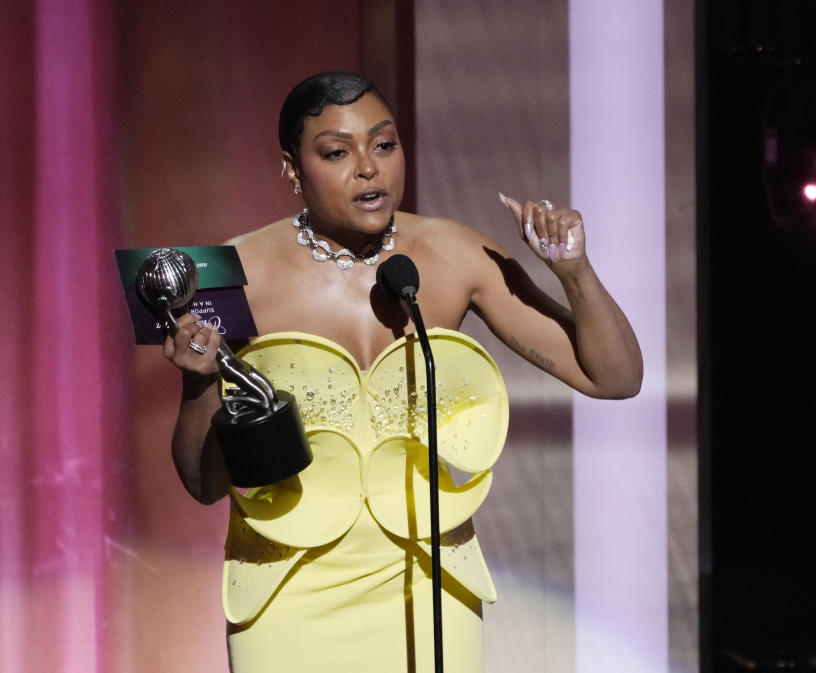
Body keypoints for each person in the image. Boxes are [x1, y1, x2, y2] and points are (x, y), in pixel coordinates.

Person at [163, 71, 642, 672]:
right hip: (287, 590)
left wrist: (573, 272)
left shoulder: (455, 254)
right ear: (293, 170)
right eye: (337, 152)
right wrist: (198, 380)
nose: (368, 168)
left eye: (384, 145)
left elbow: (614, 378)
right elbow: (204, 485)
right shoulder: (231, 274)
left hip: (430, 579)